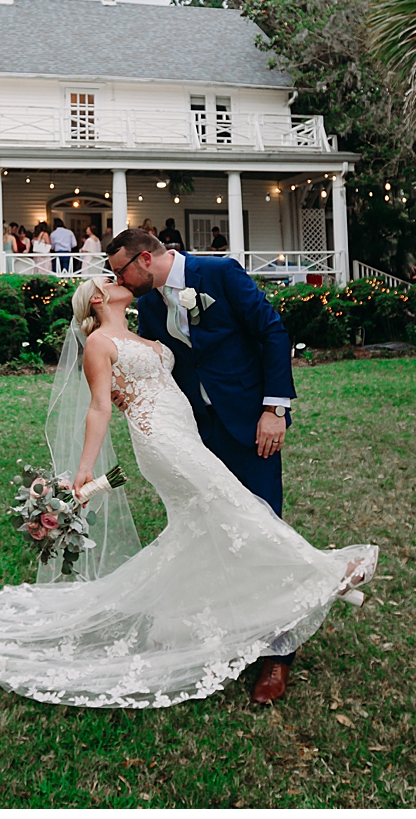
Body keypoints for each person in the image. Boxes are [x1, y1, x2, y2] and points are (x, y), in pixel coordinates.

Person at [0, 272, 374, 708]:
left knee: (205, 525)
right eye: (108, 279)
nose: (117, 281)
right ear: (97, 298)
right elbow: (99, 407)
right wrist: (83, 469)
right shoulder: (98, 344)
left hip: (186, 431)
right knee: (233, 505)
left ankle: (178, 625)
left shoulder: (146, 333)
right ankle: (328, 573)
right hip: (159, 439)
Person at [109, 227, 311, 703]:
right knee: (215, 529)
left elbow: (272, 332)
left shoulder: (219, 272)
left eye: (119, 270)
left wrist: (274, 409)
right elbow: (162, 363)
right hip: (197, 431)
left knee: (261, 526)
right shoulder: (153, 304)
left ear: (143, 259)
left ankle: (277, 655)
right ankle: (229, 630)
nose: (117, 280)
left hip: (251, 421)